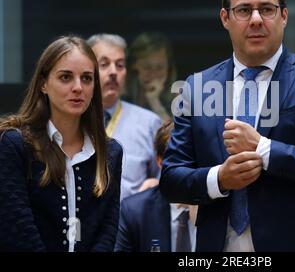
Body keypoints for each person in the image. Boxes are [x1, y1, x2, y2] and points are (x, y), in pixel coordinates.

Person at [159, 0, 295, 251]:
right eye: (243, 10)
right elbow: (171, 179)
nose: (255, 20)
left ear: (284, 16)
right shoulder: (197, 86)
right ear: (225, 18)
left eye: (266, 9)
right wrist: (219, 178)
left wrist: (264, 149)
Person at [0, 36, 122, 251]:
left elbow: (107, 231)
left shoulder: (110, 151)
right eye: (65, 77)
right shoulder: (15, 144)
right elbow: (17, 229)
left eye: (86, 78)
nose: (78, 87)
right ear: (43, 84)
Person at [87, 34, 161, 200]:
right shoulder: (71, 120)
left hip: (129, 222)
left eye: (120, 65)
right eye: (104, 64)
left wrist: (158, 185)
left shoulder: (149, 123)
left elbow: (167, 176)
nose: (113, 72)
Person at [115, 120, 197, 252]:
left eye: (194, 157)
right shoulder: (135, 211)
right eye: (179, 159)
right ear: (160, 162)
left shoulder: (219, 210)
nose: (188, 167)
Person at [126, 32, 177, 121]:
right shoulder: (119, 95)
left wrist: (155, 102)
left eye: (160, 68)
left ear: (168, 69)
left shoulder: (179, 98)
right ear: (134, 66)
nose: (154, 74)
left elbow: (174, 134)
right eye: (147, 68)